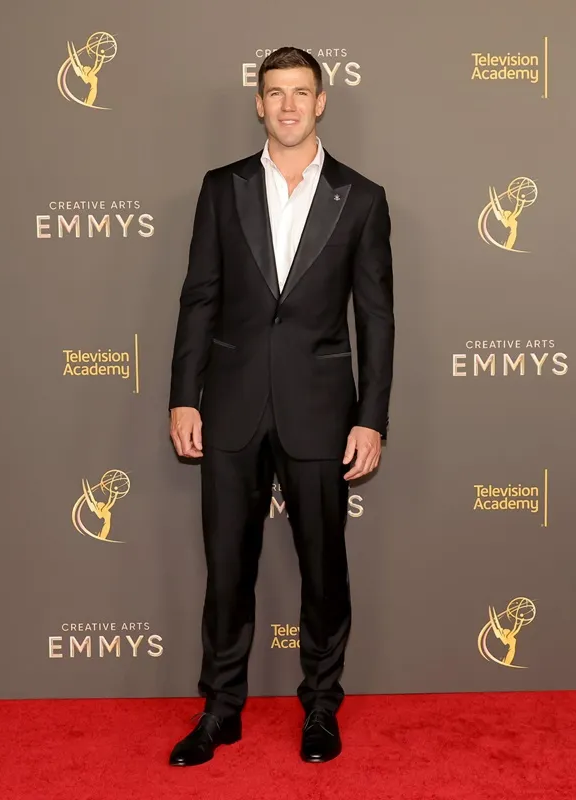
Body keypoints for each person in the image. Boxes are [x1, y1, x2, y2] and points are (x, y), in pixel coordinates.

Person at [166, 46, 394, 766]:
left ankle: (321, 708)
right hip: (229, 407)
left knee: (325, 571)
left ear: (322, 101)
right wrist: (183, 397)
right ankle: (221, 708)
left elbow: (376, 319)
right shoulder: (220, 187)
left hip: (322, 413)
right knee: (227, 569)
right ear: (258, 104)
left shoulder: (361, 197)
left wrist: (371, 416)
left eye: (302, 91)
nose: (289, 104)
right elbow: (199, 297)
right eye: (276, 92)